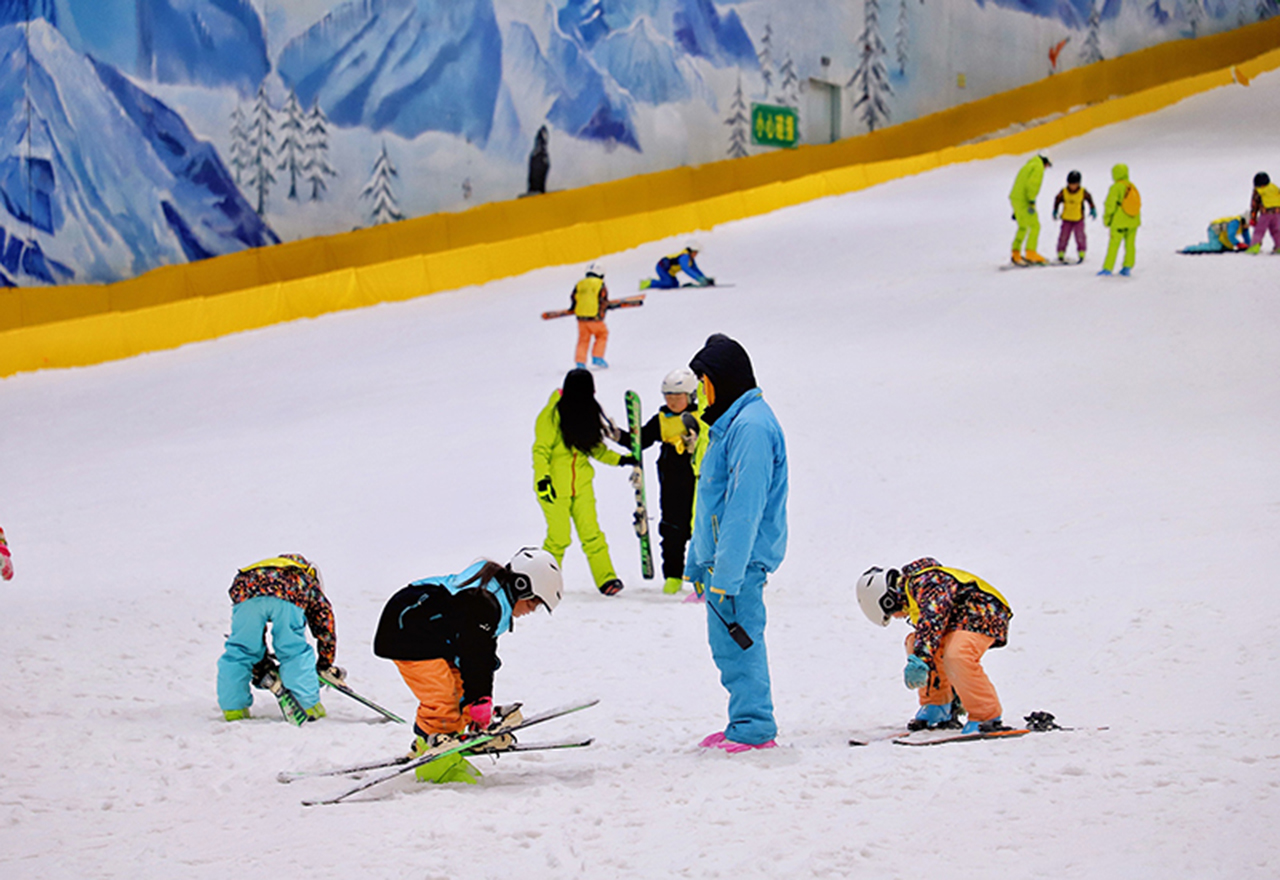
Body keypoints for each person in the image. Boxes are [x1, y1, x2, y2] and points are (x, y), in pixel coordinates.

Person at [373, 548, 562, 783]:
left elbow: (478, 652)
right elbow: (476, 655)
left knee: (459, 690)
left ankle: (433, 741)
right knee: (443, 696)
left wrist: (477, 700)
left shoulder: (492, 595)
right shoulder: (483, 601)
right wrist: (481, 700)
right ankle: (436, 762)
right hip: (407, 632)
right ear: (523, 587)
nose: (530, 611)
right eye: (533, 604)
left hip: (430, 635)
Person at [684, 335, 788, 752]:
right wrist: (698, 561)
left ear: (722, 380)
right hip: (723, 564)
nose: (699, 392)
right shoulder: (731, 423)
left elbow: (745, 507)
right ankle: (742, 719)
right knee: (727, 648)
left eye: (703, 381)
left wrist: (726, 571)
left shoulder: (751, 427)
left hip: (739, 565)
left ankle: (755, 726)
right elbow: (710, 498)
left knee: (741, 643)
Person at [856, 559, 1013, 734]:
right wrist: (921, 656)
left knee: (957, 654)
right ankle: (937, 706)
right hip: (958, 619)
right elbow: (929, 631)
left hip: (984, 612)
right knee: (916, 643)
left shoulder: (926, 581)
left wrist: (920, 659)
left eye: (891, 613)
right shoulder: (913, 595)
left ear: (888, 601)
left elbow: (933, 618)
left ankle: (985, 716)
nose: (898, 617)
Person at [533, 368, 634, 596]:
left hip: (581, 486)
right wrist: (542, 479)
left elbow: (595, 448)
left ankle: (606, 578)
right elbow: (540, 450)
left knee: (592, 533)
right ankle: (543, 583)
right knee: (559, 537)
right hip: (553, 487)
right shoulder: (551, 415)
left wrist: (621, 460)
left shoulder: (585, 413)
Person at [216, 554, 336, 722]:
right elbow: (324, 620)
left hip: (245, 589)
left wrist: (261, 662)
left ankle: (233, 709)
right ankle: (307, 706)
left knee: (240, 650)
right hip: (288, 592)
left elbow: (256, 629)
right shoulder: (304, 577)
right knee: (293, 651)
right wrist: (325, 662)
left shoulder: (261, 568)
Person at [630, 368, 707, 595]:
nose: (672, 402)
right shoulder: (662, 420)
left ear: (691, 395)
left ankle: (702, 577)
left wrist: (696, 442)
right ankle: (673, 576)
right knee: (672, 530)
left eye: (677, 397)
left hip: (698, 483)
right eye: (668, 397)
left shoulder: (702, 417)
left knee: (699, 530)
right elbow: (640, 440)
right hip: (671, 484)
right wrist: (620, 436)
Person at [1099, 163, 1141, 277]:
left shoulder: (1116, 187)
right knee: (1130, 245)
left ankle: (1108, 268)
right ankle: (1127, 266)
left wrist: (1107, 219)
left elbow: (1110, 205)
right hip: (1133, 221)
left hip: (1119, 222)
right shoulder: (1132, 186)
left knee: (1113, 245)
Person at [1010, 154, 1051, 266]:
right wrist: (1031, 200)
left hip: (1016, 198)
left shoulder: (1028, 165)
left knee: (1023, 227)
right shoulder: (1038, 167)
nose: (1047, 168)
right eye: (1048, 165)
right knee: (1035, 226)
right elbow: (1033, 184)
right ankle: (1031, 253)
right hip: (1025, 200)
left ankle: (1016, 252)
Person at [569, 262, 611, 369]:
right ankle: (597, 357)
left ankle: (580, 362)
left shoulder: (580, 283)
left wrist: (573, 308)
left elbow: (573, 297)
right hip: (594, 317)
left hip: (581, 318)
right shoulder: (599, 284)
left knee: (583, 339)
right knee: (602, 334)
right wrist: (602, 312)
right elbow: (603, 300)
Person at [1051, 170, 1096, 263]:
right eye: (1070, 184)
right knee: (1063, 237)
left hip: (1078, 219)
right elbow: (1057, 199)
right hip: (1066, 219)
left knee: (1080, 236)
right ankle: (1061, 253)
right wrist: (1055, 210)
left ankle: (1081, 252)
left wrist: (1092, 209)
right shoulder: (1064, 192)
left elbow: (1089, 199)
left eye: (1074, 184)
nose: (1072, 186)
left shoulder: (1083, 192)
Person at [641, 241, 714, 289]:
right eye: (695, 252)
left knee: (674, 285)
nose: (696, 255)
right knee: (668, 283)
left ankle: (657, 282)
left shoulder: (690, 259)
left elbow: (695, 269)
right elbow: (686, 269)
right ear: (691, 251)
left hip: (670, 271)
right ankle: (648, 283)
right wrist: (699, 279)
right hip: (662, 268)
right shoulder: (684, 257)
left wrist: (704, 278)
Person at [1179, 214, 1252, 253]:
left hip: (1222, 234)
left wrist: (1249, 245)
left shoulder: (1244, 227)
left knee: (1226, 247)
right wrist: (1238, 244)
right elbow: (1231, 236)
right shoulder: (1235, 223)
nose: (1248, 226)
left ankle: (1206, 245)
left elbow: (1247, 238)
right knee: (1215, 248)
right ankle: (1189, 249)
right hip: (1214, 230)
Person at [1248, 171, 1280, 254]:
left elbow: (1255, 205)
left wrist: (1253, 217)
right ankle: (1279, 246)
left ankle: (1254, 246)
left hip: (1266, 213)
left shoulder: (1258, 191)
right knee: (1276, 230)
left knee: (1259, 230)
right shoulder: (1274, 188)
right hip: (1277, 213)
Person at [527, 125, 549, 195]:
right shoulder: (536, 153)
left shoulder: (542, 153)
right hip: (538, 158)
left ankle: (539, 190)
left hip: (540, 158)